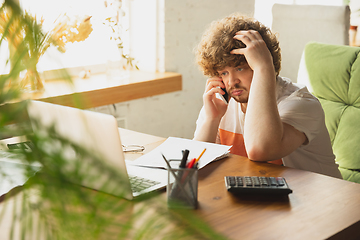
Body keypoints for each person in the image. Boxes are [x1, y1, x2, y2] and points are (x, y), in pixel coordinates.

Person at [193, 13, 342, 178]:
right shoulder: (222, 103)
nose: (231, 81)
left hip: (320, 199)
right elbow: (195, 164)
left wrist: (264, 68)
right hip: (264, 197)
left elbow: (260, 150)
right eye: (224, 72)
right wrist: (211, 119)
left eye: (240, 68)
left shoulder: (302, 103)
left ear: (262, 63)